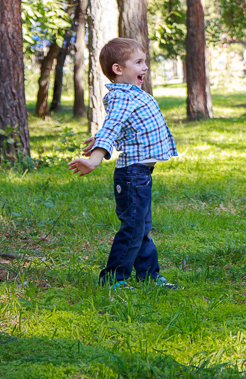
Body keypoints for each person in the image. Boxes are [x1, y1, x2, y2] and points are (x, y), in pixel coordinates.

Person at [68, 38, 178, 288]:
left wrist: (99, 138)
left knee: (141, 228)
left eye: (145, 62)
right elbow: (111, 127)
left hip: (140, 175)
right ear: (118, 69)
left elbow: (121, 127)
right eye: (138, 62)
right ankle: (113, 278)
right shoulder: (123, 97)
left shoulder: (130, 95)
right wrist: (94, 160)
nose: (145, 67)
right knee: (132, 229)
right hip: (133, 176)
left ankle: (148, 276)